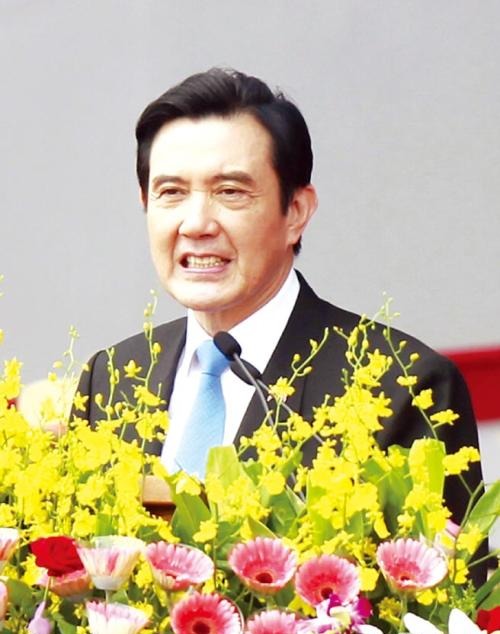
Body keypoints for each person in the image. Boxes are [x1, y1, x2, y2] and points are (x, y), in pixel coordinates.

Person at [76, 67, 483, 534]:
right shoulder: (110, 381)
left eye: (230, 192)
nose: (196, 224)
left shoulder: (401, 385)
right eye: (171, 193)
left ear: (296, 212)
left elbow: (447, 575)